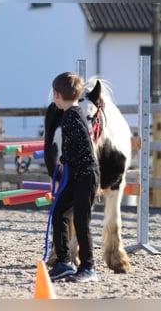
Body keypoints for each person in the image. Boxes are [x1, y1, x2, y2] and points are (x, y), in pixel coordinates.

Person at [47, 72, 100, 282]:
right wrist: (65, 159)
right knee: (59, 211)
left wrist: (66, 157)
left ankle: (88, 267)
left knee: (81, 220)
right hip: (77, 173)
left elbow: (83, 147)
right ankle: (64, 262)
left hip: (85, 175)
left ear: (57, 94)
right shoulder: (71, 114)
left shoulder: (71, 116)